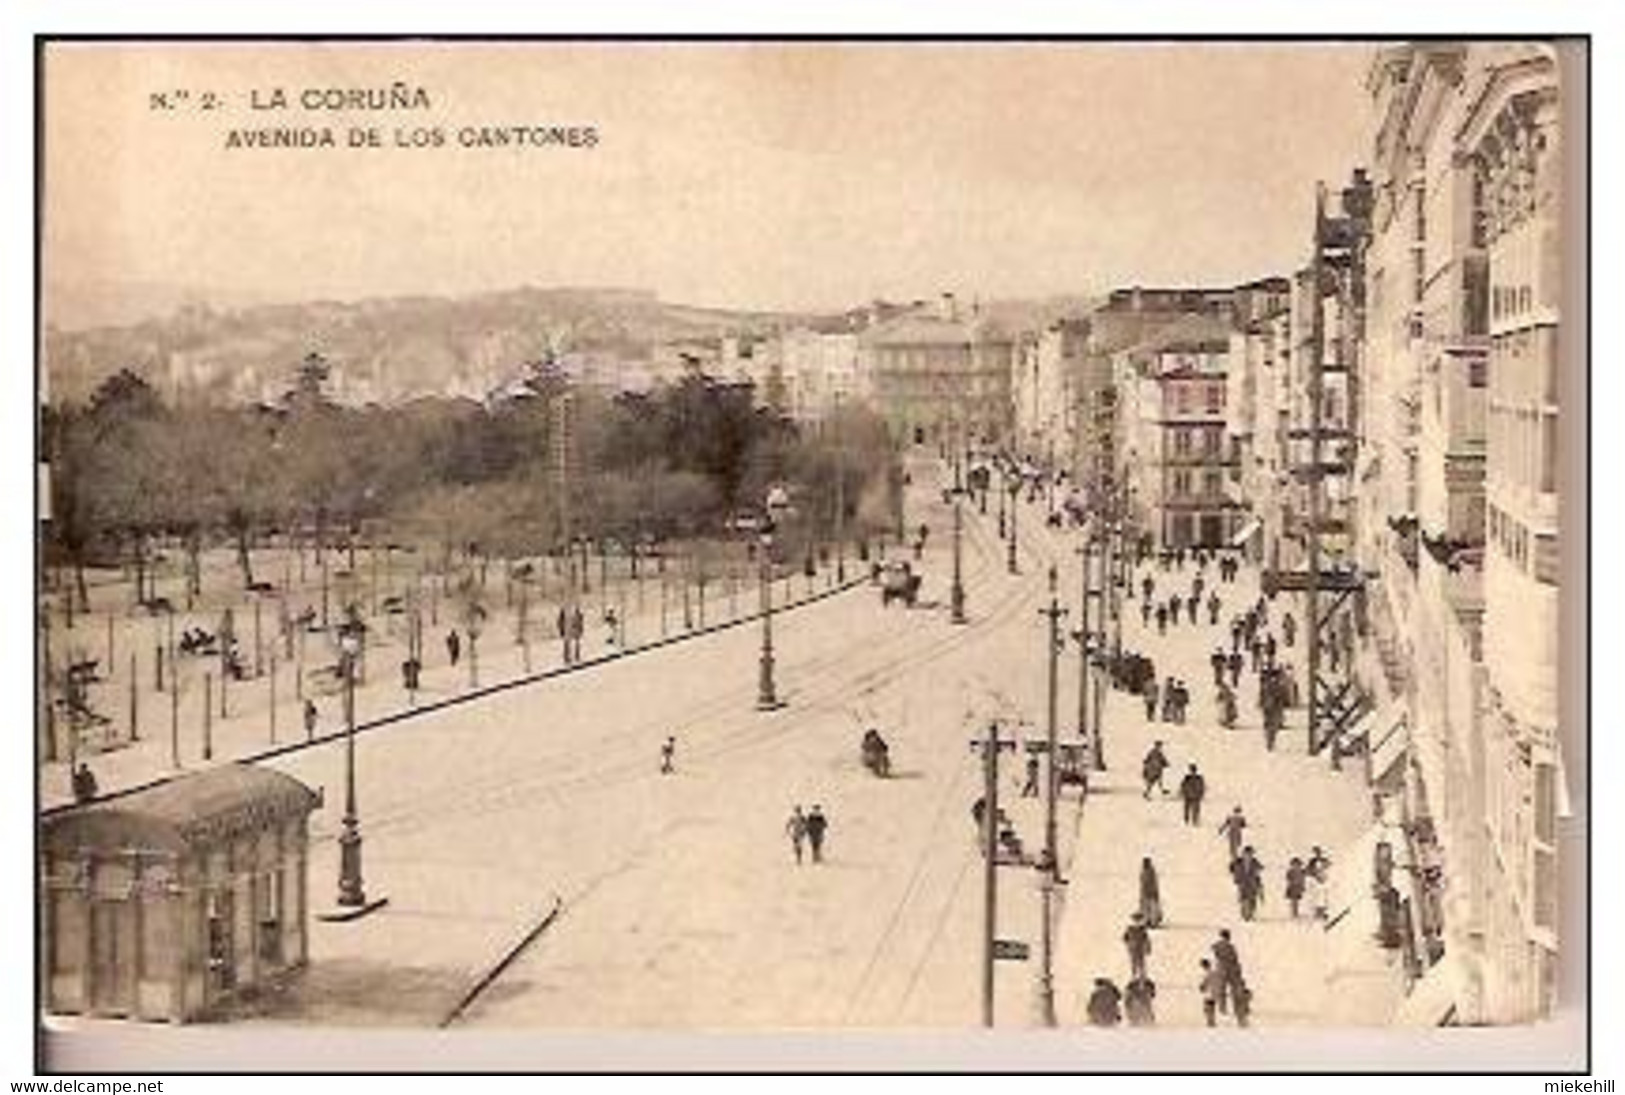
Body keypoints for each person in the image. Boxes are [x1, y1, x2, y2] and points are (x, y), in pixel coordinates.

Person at [1212, 929, 1242, 1015]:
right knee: (1234, 989)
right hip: (1231, 969)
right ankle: (1236, 1008)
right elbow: (1235, 959)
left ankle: (1222, 1008)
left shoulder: (1216, 946)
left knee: (1221, 989)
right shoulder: (1231, 947)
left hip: (1221, 969)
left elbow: (1215, 956)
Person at [1123, 913, 1152, 979]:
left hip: (1140, 949)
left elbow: (1146, 939)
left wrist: (1148, 948)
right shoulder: (1130, 929)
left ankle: (1142, 975)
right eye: (1136, 921)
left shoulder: (1142, 930)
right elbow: (1125, 938)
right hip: (1133, 949)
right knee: (1134, 962)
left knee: (1141, 963)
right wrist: (1129, 945)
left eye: (1139, 921)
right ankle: (1134, 975)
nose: (1137, 923)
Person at [1199, 958, 1225, 1027]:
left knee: (1208, 1007)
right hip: (1214, 992)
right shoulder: (1213, 972)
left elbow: (1205, 983)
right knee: (1210, 1007)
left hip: (1211, 993)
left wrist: (1202, 987)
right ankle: (1211, 1021)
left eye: (1203, 966)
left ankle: (1211, 1022)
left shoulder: (1209, 973)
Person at [1139, 857, 1163, 927]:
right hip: (1146, 894)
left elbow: (1154, 883)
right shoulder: (1143, 872)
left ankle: (1153, 922)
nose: (1144, 865)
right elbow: (1142, 883)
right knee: (1146, 908)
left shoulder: (1151, 872)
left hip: (1151, 893)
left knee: (1153, 908)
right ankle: (1148, 920)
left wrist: (1155, 893)